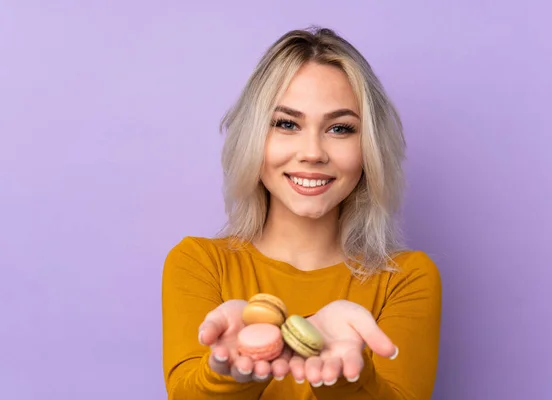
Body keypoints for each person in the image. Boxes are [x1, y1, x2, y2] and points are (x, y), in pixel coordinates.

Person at [162, 26, 442, 400]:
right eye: (287, 124)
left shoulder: (406, 279)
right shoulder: (198, 263)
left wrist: (343, 373)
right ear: (254, 138)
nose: (312, 152)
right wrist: (233, 370)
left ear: (369, 148)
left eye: (340, 128)